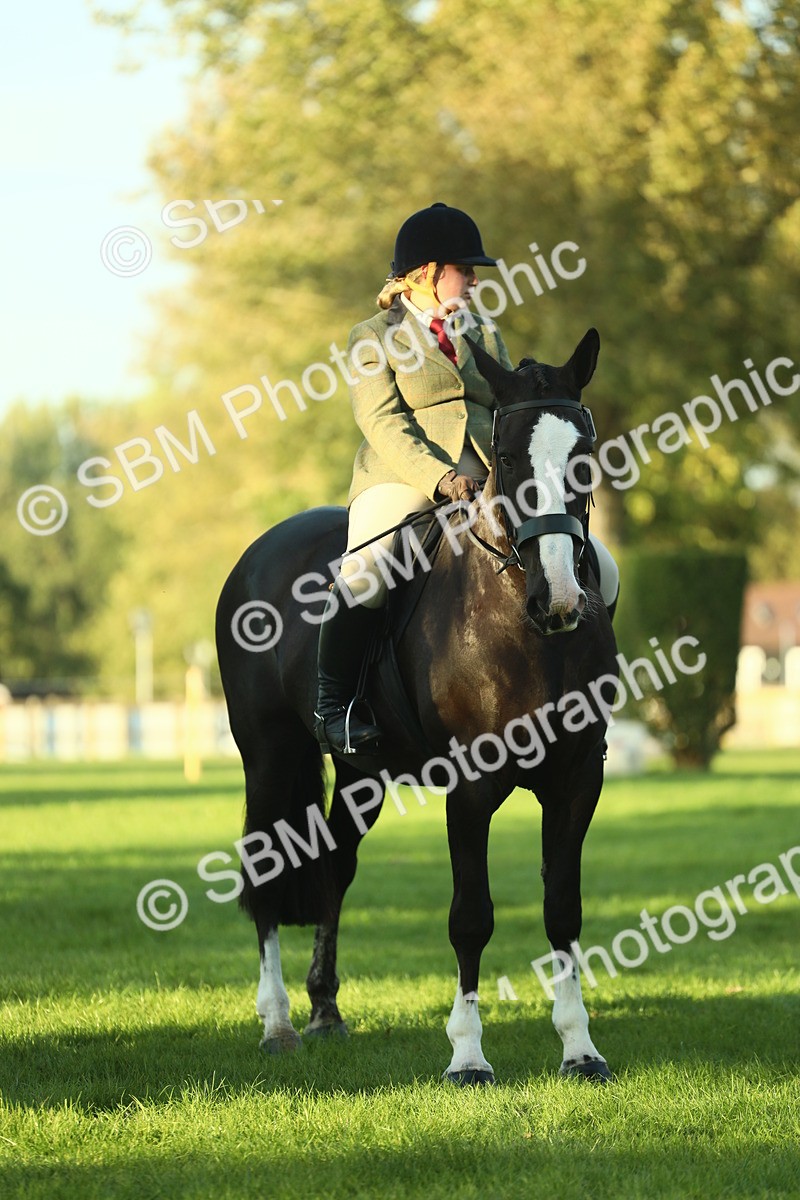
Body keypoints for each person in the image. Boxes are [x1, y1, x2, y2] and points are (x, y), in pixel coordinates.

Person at [314, 202, 619, 757]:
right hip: (404, 477)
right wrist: (440, 478)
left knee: (604, 566)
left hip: (491, 482)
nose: (475, 281)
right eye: (466, 270)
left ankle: (586, 699)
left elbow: (507, 411)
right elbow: (382, 420)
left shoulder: (484, 332)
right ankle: (335, 707)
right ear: (428, 272)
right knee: (363, 572)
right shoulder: (372, 336)